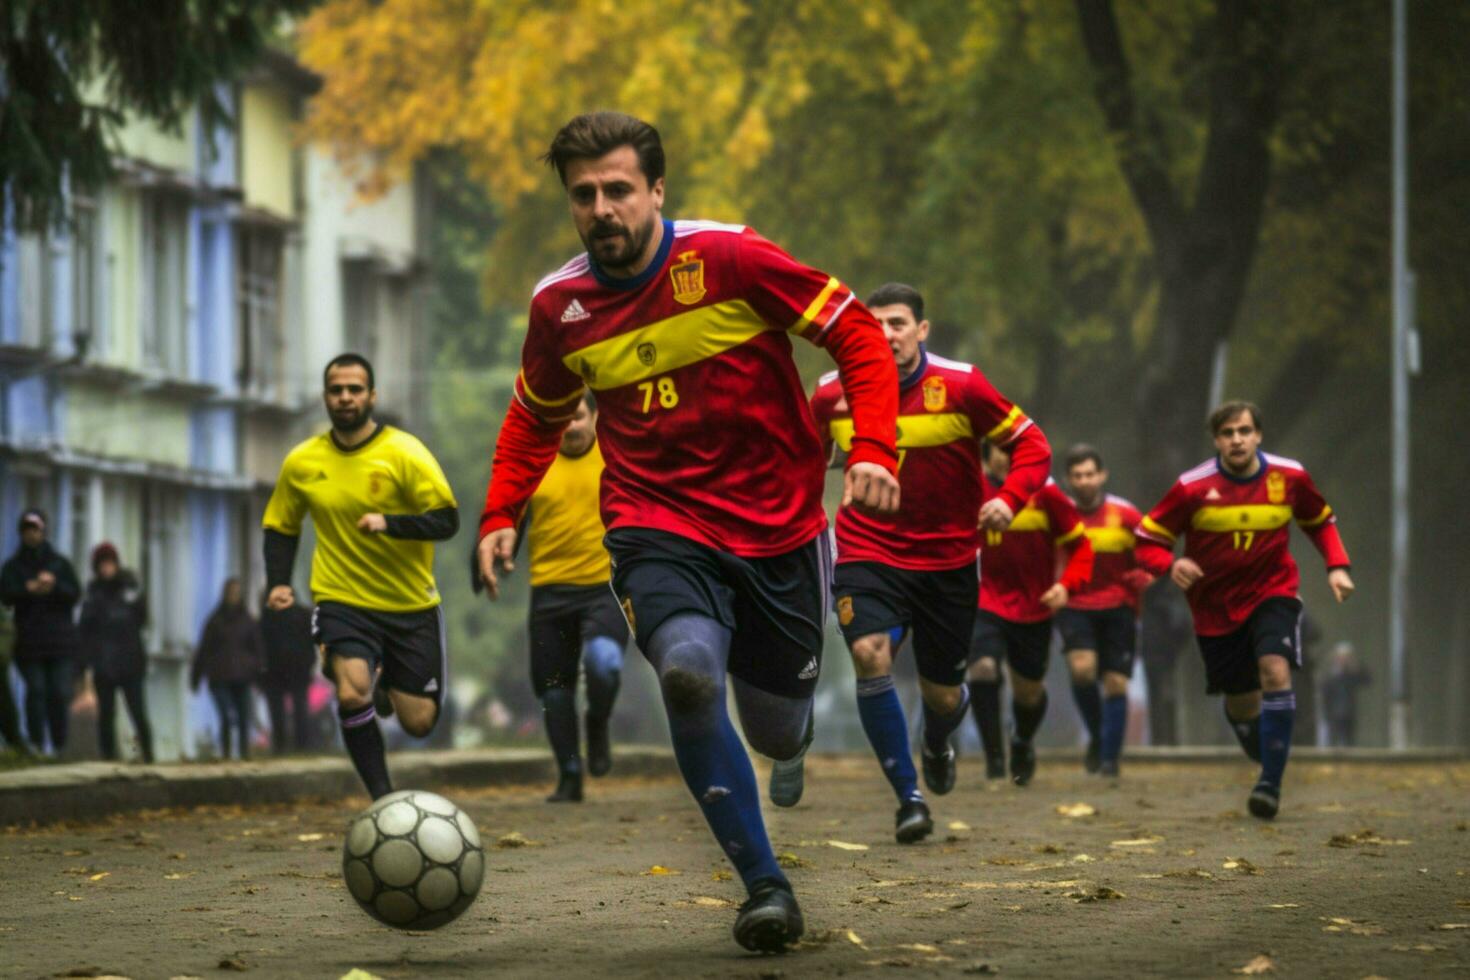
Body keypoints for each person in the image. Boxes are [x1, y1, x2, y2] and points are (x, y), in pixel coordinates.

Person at [477, 111, 899, 952]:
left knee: (778, 726)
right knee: (689, 676)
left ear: (657, 191)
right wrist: (500, 513)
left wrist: (875, 447)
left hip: (779, 527)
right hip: (654, 523)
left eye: (619, 191)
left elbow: (854, 330)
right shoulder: (559, 308)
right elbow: (534, 417)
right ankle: (765, 885)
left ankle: (791, 736)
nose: (602, 209)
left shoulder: (733, 257)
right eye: (583, 195)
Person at [812, 283, 1050, 841]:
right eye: (874, 325)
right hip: (867, 551)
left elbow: (1032, 444)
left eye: (898, 323)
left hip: (947, 561)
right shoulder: (829, 394)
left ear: (922, 330)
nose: (886, 335)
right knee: (871, 654)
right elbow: (805, 455)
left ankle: (939, 738)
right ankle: (908, 797)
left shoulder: (963, 384)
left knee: (941, 694)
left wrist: (1007, 499)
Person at [1134, 400, 1353, 819]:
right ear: (1216, 440)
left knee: (1275, 669)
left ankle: (1270, 782)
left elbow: (1319, 520)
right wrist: (1171, 563)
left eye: (1244, 431)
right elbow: (1146, 539)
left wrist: (1337, 566)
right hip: (1214, 608)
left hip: (1274, 592)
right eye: (1228, 433)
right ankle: (1264, 749)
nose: (1237, 440)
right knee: (1240, 703)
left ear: (1258, 435)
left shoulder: (1289, 477)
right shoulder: (1191, 488)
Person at [264, 353, 459, 797]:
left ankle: (386, 679)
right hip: (341, 599)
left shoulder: (405, 453)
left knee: (420, 721)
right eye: (336, 390)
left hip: (410, 605)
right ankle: (382, 798)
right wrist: (278, 581)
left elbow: (447, 520)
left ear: (372, 396)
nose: (345, 397)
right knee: (352, 694)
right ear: (325, 398)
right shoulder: (302, 462)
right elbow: (281, 525)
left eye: (355, 389)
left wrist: (390, 523)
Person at [480, 393, 628, 802]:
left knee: (604, 663)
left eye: (578, 417)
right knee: (555, 690)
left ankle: (597, 722)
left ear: (595, 416)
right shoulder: (535, 464)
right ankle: (569, 775)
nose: (571, 427)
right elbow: (508, 520)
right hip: (550, 592)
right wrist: (486, 564)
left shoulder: (617, 456)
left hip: (606, 588)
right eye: (562, 420)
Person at [969, 441, 1092, 785]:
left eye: (1017, 452)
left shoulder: (1047, 492)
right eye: (1004, 452)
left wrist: (1066, 586)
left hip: (1033, 606)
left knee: (1028, 692)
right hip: (984, 599)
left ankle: (1021, 740)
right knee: (982, 668)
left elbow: (1081, 547)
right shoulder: (970, 487)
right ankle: (994, 758)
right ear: (987, 455)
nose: (1011, 459)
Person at [1058, 445, 1152, 777]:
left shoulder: (1125, 514)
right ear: (1068, 479)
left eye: (1089, 474)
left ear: (1102, 475)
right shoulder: (1059, 514)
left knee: (1115, 682)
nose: (1084, 481)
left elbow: (1152, 550)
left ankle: (1110, 760)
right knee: (1082, 670)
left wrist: (1147, 573)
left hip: (1119, 606)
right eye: (1077, 475)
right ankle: (1099, 736)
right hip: (1074, 604)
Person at [0, 508, 81, 754]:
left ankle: (58, 745)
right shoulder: (13, 567)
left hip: (59, 643)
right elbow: (6, 597)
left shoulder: (59, 564)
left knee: (58, 693)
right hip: (28, 643)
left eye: (36, 529)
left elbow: (74, 594)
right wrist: (28, 589)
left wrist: (54, 587)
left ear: (44, 531)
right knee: (36, 692)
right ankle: (36, 744)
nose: (32, 534)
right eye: (28, 529)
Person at [78, 542, 154, 762]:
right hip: (104, 664)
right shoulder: (93, 594)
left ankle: (148, 755)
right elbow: (85, 631)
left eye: (110, 563)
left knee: (137, 712)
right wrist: (85, 663)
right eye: (102, 564)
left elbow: (142, 619)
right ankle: (108, 757)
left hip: (131, 662)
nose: (106, 568)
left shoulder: (129, 589)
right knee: (106, 715)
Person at [191, 577, 264, 759]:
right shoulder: (215, 621)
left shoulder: (248, 621)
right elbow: (204, 650)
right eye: (231, 593)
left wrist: (258, 671)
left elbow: (258, 649)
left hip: (242, 676)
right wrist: (196, 676)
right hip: (219, 676)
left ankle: (244, 754)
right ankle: (226, 753)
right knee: (225, 715)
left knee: (242, 716)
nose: (233, 596)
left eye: (236, 593)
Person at [259, 589, 316, 755]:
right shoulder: (269, 617)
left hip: (292, 669)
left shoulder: (272, 617)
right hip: (278, 671)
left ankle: (294, 745)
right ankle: (290, 745)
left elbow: (310, 642)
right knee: (287, 709)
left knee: (295, 709)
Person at [1320, 641, 1371, 747]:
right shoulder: (1330, 674)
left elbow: (1367, 680)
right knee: (1332, 741)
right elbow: (1324, 692)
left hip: (1349, 712)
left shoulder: (1351, 674)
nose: (1343, 660)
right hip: (1333, 713)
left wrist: (1356, 666)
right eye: (1341, 657)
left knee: (1348, 741)